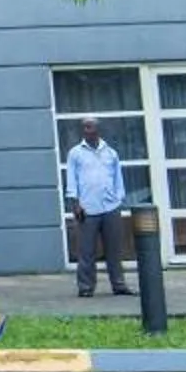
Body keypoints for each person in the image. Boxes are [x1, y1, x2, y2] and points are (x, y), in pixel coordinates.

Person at [63, 116, 131, 297]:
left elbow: (118, 179)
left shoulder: (110, 153)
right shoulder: (75, 153)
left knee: (114, 250)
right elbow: (71, 180)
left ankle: (119, 285)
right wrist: (75, 204)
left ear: (98, 130)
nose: (86, 130)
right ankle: (85, 287)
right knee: (86, 252)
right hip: (87, 209)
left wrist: (118, 199)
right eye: (84, 128)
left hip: (110, 207)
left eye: (90, 127)